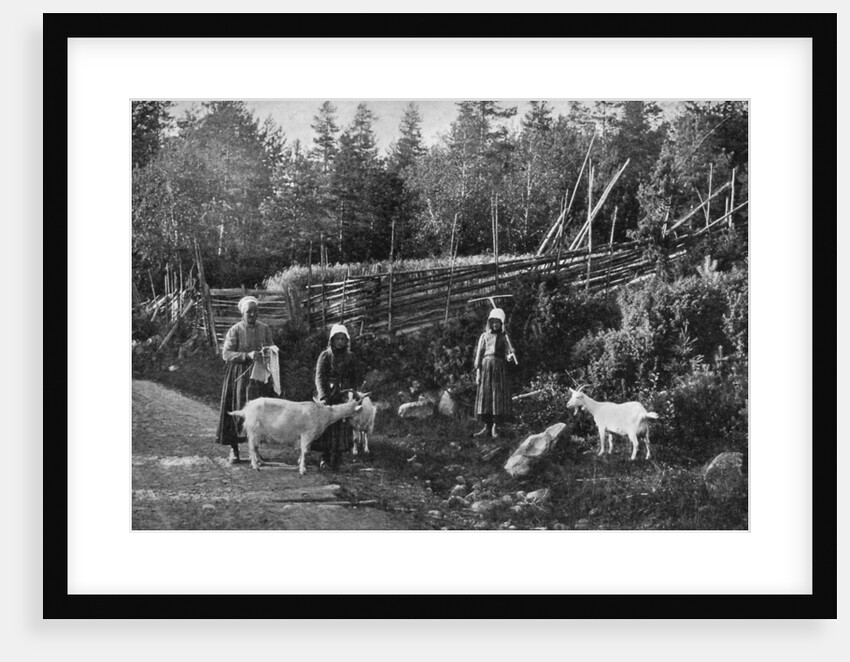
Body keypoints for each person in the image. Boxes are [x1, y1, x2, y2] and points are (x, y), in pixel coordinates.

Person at [216, 296, 278, 464]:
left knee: (258, 412)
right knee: (238, 408)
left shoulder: (264, 329)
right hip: (239, 376)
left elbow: (272, 348)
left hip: (259, 375)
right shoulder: (235, 330)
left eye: (255, 311)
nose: (252, 315)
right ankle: (234, 450)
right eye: (248, 312)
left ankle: (255, 451)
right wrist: (246, 355)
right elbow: (226, 354)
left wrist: (267, 353)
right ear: (242, 313)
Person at [313, 323, 361, 471]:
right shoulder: (326, 356)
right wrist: (323, 396)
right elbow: (319, 377)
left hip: (343, 396)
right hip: (329, 396)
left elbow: (354, 377)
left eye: (342, 339)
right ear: (332, 340)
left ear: (346, 340)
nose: (340, 341)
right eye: (337, 339)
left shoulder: (350, 357)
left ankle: (338, 459)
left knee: (342, 426)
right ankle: (325, 458)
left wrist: (353, 394)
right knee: (327, 427)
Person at [472, 307, 517, 439]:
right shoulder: (484, 336)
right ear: (489, 323)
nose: (495, 324)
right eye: (493, 322)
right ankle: (486, 426)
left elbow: (508, 356)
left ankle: (495, 427)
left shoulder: (504, 337)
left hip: (499, 369)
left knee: (497, 395)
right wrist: (478, 373)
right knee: (486, 396)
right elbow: (478, 356)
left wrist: (511, 355)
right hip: (486, 368)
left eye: (498, 322)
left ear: (502, 323)